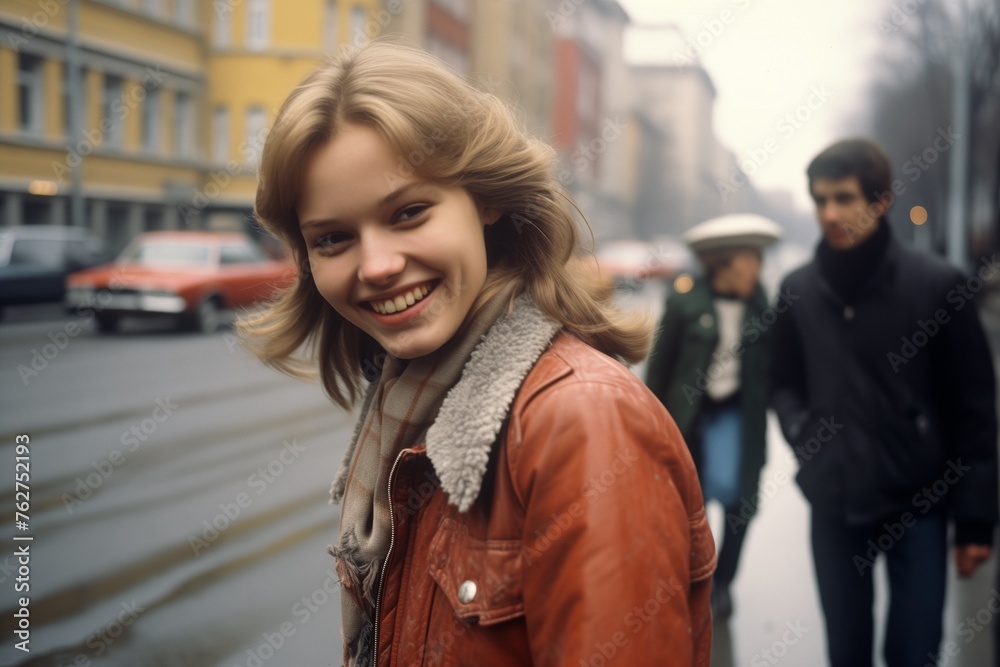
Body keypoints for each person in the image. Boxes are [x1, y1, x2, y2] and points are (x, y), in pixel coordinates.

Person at [238, 41, 715, 667]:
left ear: (486, 199)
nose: (377, 266)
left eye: (409, 213)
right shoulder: (413, 405)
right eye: (333, 239)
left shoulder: (583, 424)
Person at [769, 138, 998, 667]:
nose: (830, 213)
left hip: (918, 503)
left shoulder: (940, 287)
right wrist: (806, 433)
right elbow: (782, 381)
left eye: (844, 198)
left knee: (913, 653)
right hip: (834, 503)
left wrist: (976, 522)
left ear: (881, 201)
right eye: (820, 199)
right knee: (845, 653)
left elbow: (975, 411)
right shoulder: (798, 290)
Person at [645, 214, 781, 621]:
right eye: (750, 260)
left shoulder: (762, 306)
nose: (757, 270)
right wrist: (651, 429)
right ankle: (690, 581)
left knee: (742, 505)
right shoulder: (685, 304)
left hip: (741, 420)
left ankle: (723, 584)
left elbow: (776, 369)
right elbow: (659, 369)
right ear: (724, 263)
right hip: (692, 422)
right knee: (688, 505)